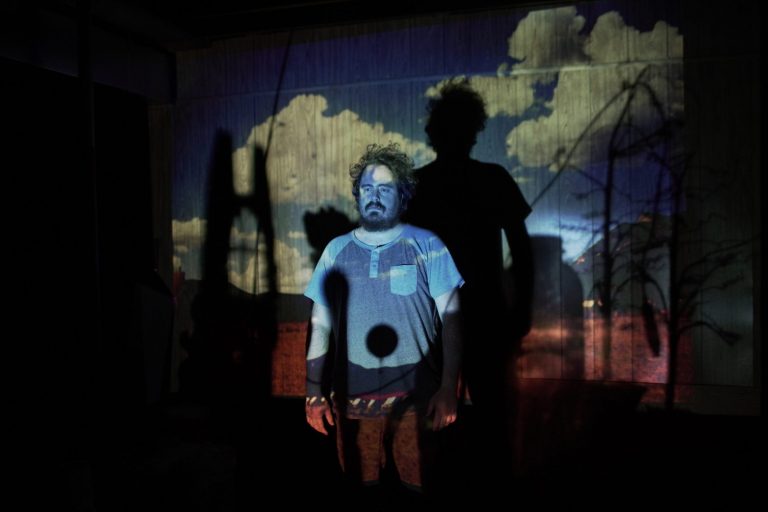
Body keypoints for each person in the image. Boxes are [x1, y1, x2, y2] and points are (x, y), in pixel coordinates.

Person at [304, 143, 464, 501]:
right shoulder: (335, 251)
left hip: (417, 405)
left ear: (402, 196)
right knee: (361, 494)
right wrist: (313, 393)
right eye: (366, 189)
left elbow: (452, 320)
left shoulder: (428, 245)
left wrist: (448, 388)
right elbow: (320, 325)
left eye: (384, 189)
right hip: (352, 406)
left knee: (418, 492)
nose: (373, 197)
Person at [405, 81, 533, 486]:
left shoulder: (418, 187)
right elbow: (522, 252)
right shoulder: (492, 179)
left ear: (434, 131)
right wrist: (521, 311)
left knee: (438, 428)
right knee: (492, 425)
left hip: (436, 323)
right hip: (483, 318)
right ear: (473, 130)